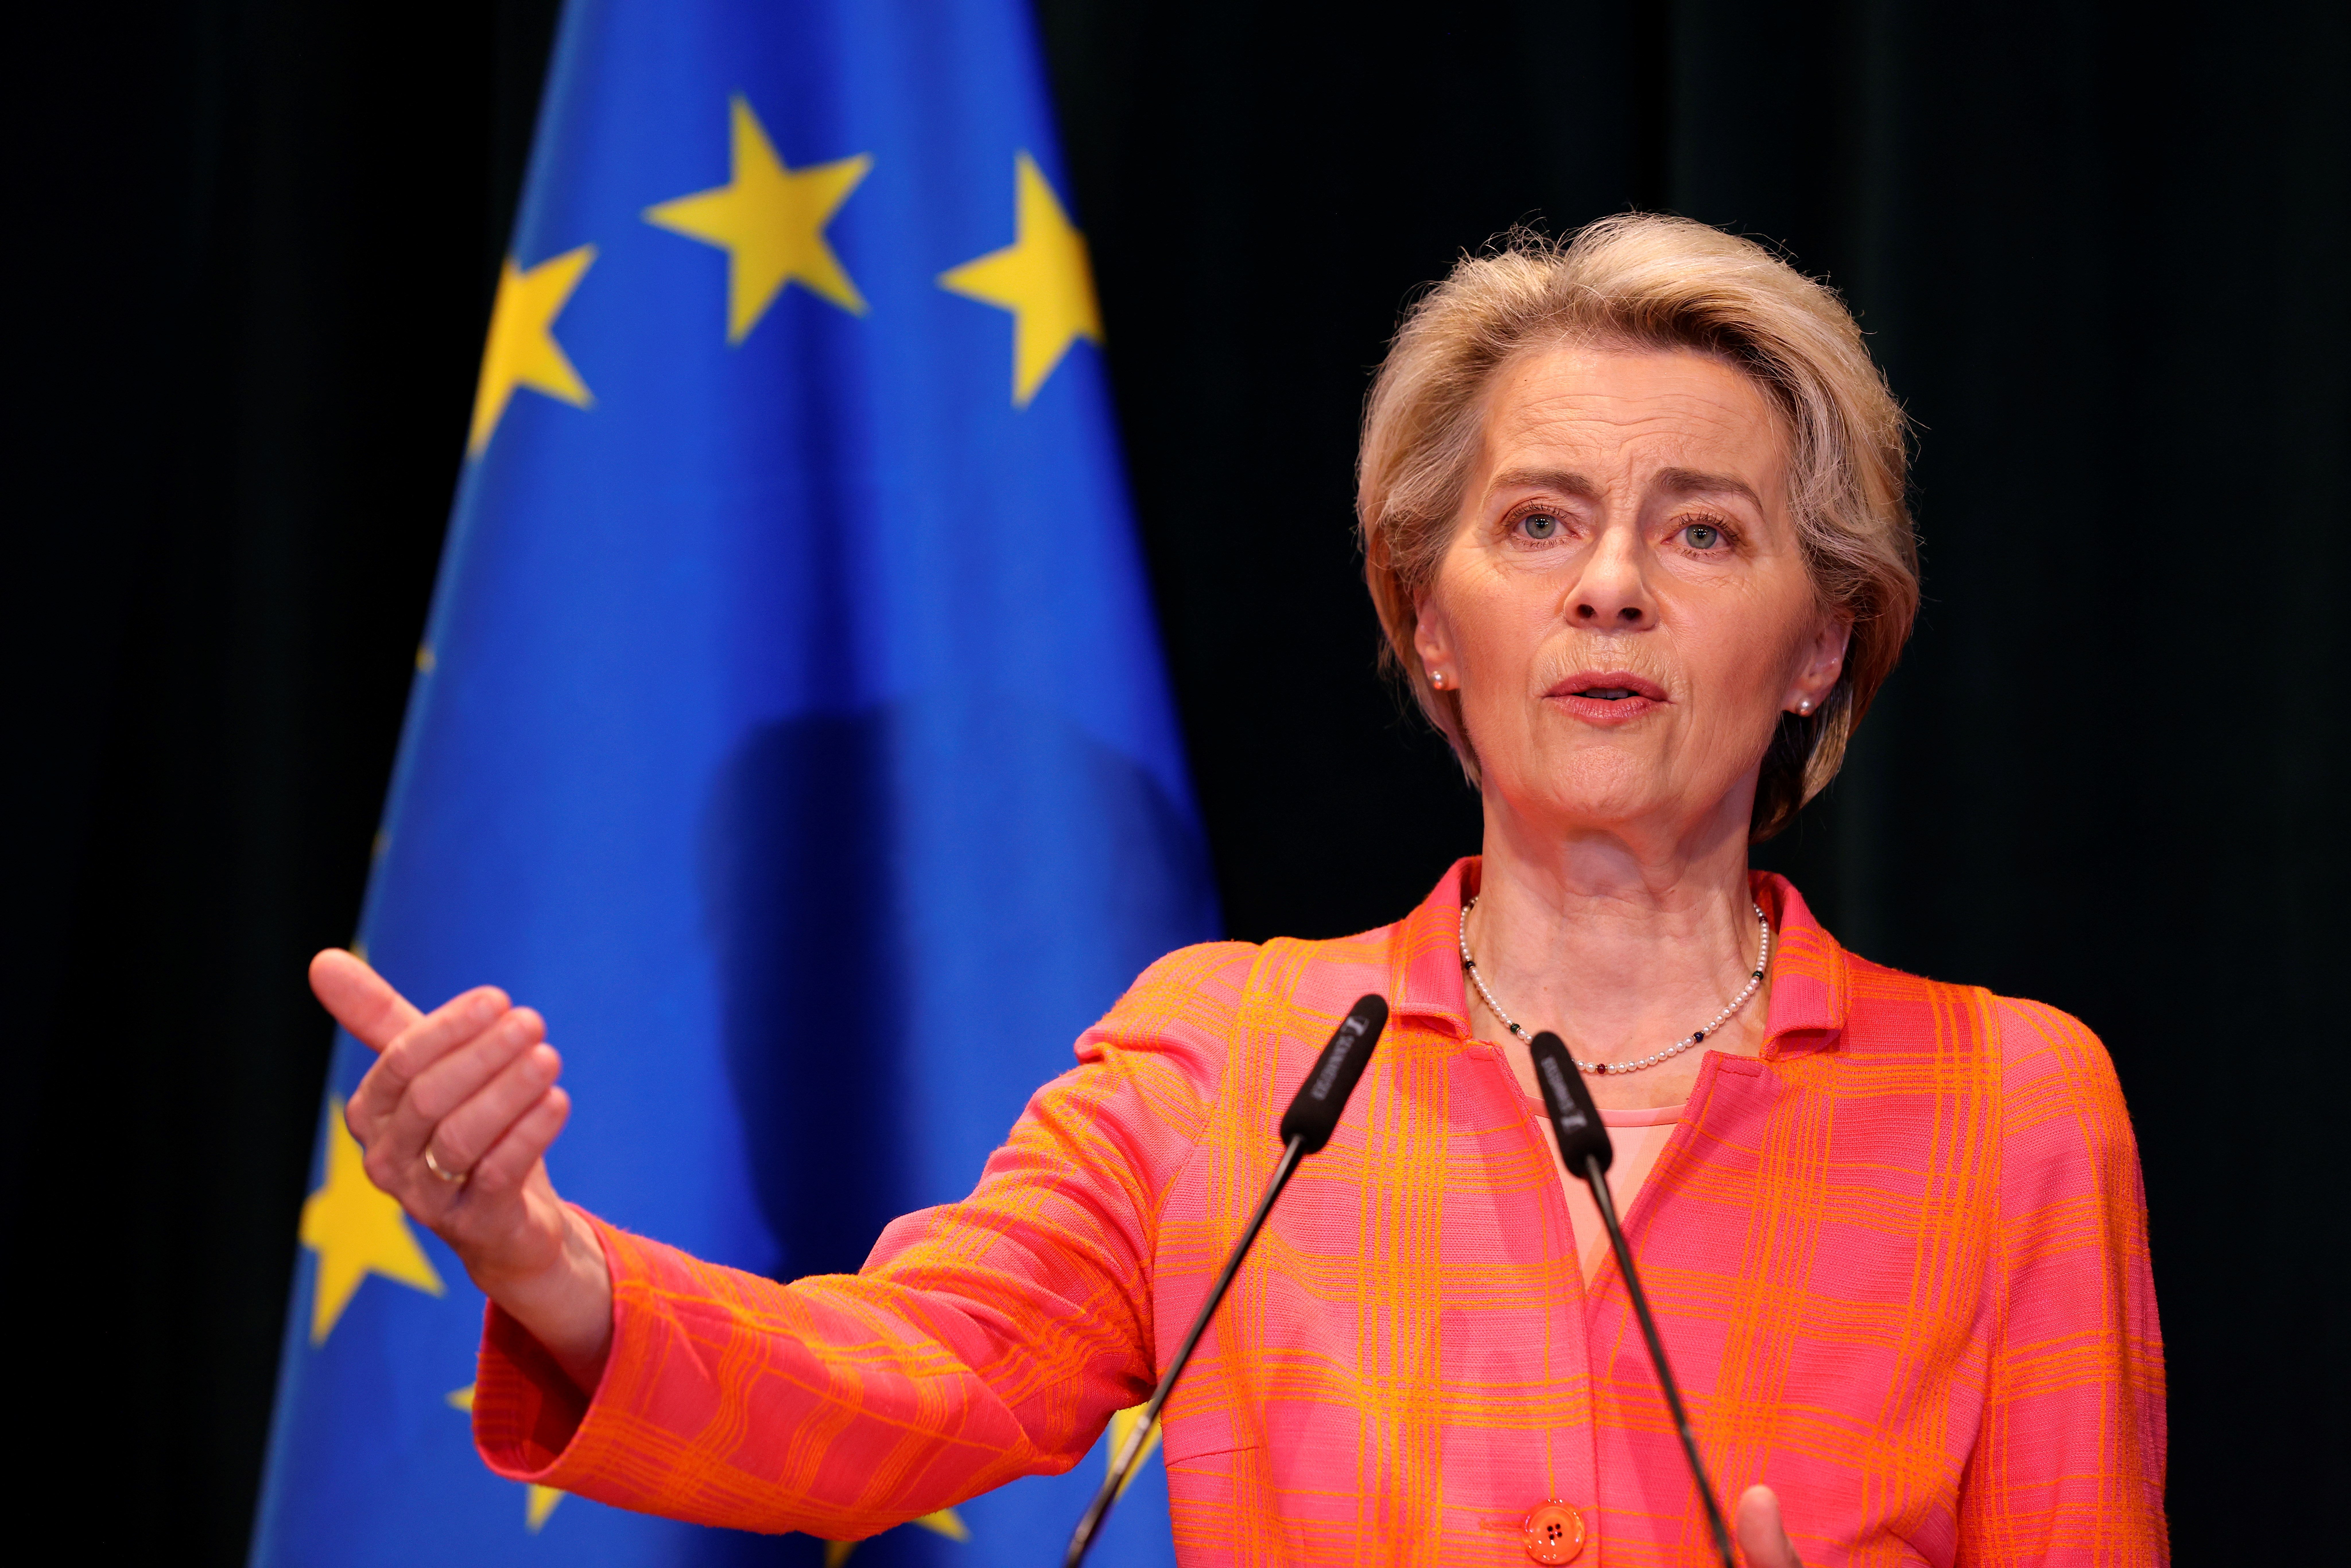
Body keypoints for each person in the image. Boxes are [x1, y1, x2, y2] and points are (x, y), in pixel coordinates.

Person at [310, 215, 2166, 1565]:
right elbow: (896, 1381)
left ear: (1822, 643)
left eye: (1703, 529)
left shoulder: (2010, 1110)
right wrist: (543, 1263)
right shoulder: (1234, 1059)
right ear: (1432, 625)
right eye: (1538, 522)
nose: (1612, 585)